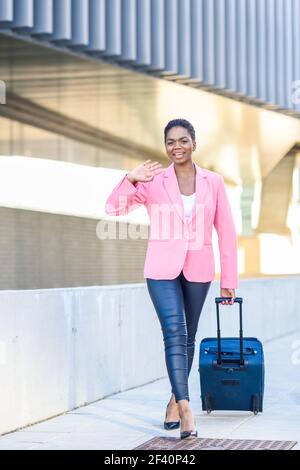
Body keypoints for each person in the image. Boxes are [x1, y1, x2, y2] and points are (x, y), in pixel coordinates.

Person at [105, 118, 238, 440]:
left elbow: (227, 231)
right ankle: (186, 405)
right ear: (165, 146)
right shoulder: (153, 181)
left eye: (182, 141)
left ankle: (172, 402)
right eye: (170, 142)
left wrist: (229, 278)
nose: (176, 147)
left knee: (188, 336)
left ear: (194, 143)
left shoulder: (214, 182)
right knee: (174, 332)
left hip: (199, 268)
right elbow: (113, 209)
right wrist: (129, 179)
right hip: (161, 269)